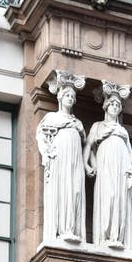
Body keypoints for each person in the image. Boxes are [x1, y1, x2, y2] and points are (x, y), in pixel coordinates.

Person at [84, 89, 132, 250]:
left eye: (118, 105)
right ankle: (104, 236)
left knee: (119, 200)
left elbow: (130, 152)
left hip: (121, 167)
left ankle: (116, 236)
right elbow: (88, 146)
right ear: (106, 107)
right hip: (106, 165)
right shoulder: (98, 126)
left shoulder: (123, 131)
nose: (115, 107)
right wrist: (88, 164)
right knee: (108, 196)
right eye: (112, 104)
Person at [36, 73, 86, 244]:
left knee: (75, 190)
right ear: (60, 98)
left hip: (75, 160)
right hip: (61, 158)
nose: (70, 98)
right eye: (67, 95)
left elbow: (86, 143)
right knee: (63, 190)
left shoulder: (78, 123)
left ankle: (72, 228)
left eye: (73, 96)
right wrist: (46, 153)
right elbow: (41, 137)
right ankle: (63, 229)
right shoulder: (52, 118)